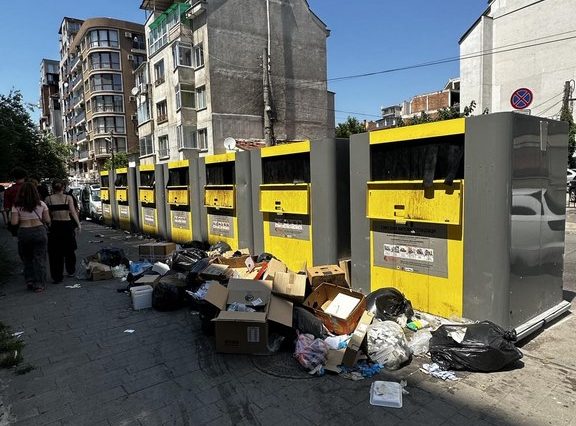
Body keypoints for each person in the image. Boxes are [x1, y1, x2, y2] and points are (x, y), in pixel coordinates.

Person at [10, 181, 50, 292]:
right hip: (39, 231)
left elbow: (14, 222)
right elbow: (47, 220)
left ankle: (30, 280)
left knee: (27, 258)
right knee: (39, 258)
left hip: (24, 231)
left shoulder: (16, 205)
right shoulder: (41, 204)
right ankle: (39, 284)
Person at [45, 179, 81, 283]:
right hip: (67, 225)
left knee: (55, 252)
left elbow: (46, 214)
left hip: (55, 225)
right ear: (63, 187)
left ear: (52, 188)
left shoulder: (48, 199)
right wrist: (78, 224)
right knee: (69, 250)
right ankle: (70, 270)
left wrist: (47, 224)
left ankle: (57, 276)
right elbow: (73, 212)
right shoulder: (68, 198)